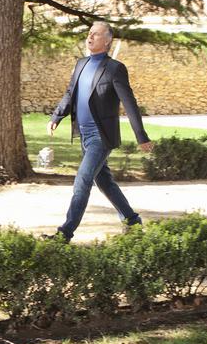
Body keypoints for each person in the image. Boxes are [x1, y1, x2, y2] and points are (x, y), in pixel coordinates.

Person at [46, 21, 153, 242]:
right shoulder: (81, 64)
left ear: (107, 40)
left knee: (82, 180)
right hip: (84, 135)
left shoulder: (115, 68)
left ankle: (64, 233)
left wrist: (141, 136)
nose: (90, 37)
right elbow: (70, 93)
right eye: (89, 33)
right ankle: (132, 222)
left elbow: (129, 103)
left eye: (96, 34)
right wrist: (57, 116)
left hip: (101, 136)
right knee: (104, 181)